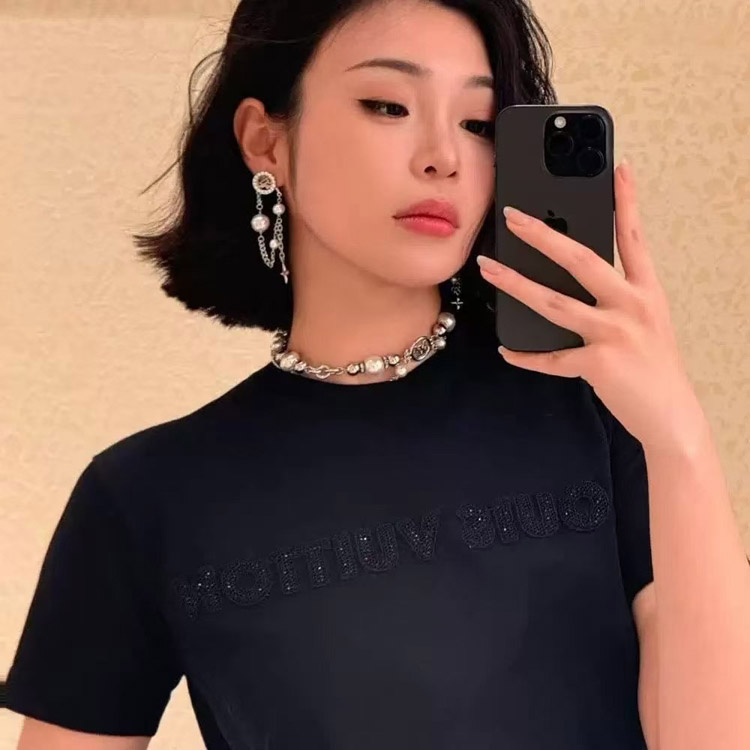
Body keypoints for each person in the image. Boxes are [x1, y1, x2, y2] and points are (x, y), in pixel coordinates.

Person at [5, 1, 655, 748]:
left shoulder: (599, 412)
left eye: (478, 123)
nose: (443, 156)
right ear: (266, 140)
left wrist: (678, 432)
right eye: (388, 105)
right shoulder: (143, 496)